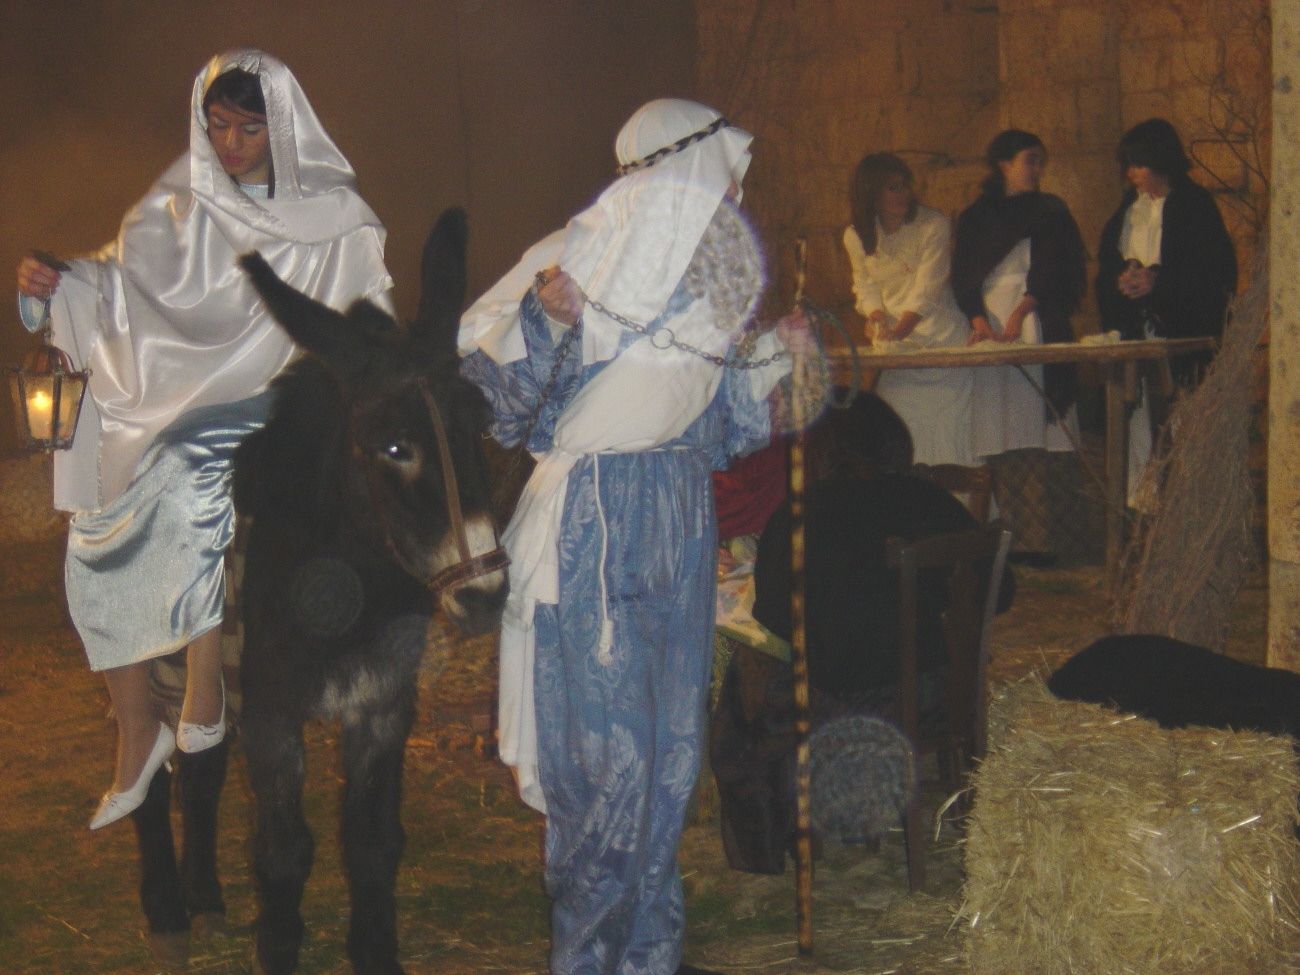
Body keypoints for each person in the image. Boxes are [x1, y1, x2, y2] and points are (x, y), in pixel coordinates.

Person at [459, 98, 807, 975]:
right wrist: (552, 322)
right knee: (605, 772)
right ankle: (588, 958)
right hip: (596, 523)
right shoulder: (575, 259)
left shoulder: (719, 286)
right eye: (721, 174)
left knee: (668, 765)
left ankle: (651, 956)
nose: (732, 194)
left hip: (680, 515)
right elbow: (499, 409)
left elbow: (722, 428)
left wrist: (776, 371)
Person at [14, 50, 392, 830]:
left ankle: (203, 684)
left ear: (281, 128)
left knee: (188, 467)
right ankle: (137, 728)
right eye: (216, 127)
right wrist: (52, 284)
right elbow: (116, 284)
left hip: (269, 391)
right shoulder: (176, 201)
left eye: (248, 130)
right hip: (166, 387)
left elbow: (367, 312)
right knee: (92, 501)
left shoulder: (331, 214)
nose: (229, 146)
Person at [710, 393, 1014, 873]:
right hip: (939, 695)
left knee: (743, 690)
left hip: (839, 701)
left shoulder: (799, 513)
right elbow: (1001, 593)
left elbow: (773, 616)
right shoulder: (931, 501)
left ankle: (766, 844)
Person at [951, 129, 1087, 561]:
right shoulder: (976, 217)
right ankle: (1012, 539)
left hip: (1033, 320)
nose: (1036, 169)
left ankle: (1052, 541)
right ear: (1003, 164)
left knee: (1042, 426)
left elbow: (1056, 269)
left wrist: (1021, 313)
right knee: (1003, 426)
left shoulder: (1049, 211)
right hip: (991, 324)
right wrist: (979, 319)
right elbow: (964, 276)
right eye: (1029, 159)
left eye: (1038, 161)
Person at [1095, 118, 1237, 500]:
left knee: (1183, 434)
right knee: (1139, 436)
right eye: (1128, 165)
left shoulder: (1194, 206)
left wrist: (1159, 282)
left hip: (1182, 337)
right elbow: (1107, 264)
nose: (1131, 174)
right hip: (1137, 340)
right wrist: (1120, 280)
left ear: (1161, 162)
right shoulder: (1129, 210)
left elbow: (1214, 273)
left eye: (1138, 164)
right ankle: (1143, 521)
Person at [842, 152, 974, 466]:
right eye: (893, 188)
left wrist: (897, 332)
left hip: (942, 344)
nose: (903, 195)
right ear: (871, 193)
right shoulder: (856, 235)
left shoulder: (933, 225)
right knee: (901, 433)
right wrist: (875, 317)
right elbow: (864, 285)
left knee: (949, 437)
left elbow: (927, 288)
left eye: (904, 186)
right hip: (897, 354)